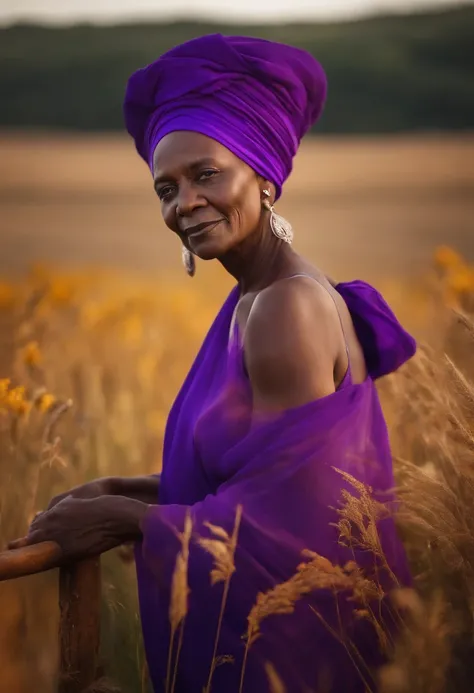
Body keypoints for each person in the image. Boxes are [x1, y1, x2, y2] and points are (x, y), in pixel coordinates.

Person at [9, 35, 416, 692]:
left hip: (294, 659)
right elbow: (257, 480)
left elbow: (299, 529)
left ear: (263, 174)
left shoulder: (286, 308)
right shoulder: (257, 296)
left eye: (206, 174)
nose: (184, 204)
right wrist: (117, 486)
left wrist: (116, 519)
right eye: (165, 189)